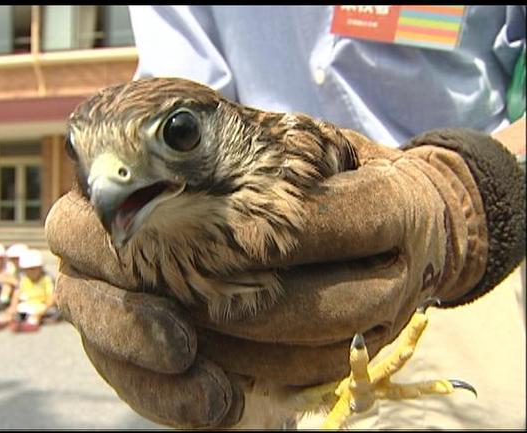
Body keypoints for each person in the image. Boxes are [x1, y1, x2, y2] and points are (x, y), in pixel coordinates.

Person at [48, 5, 525, 430]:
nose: (108, 182)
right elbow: (169, 92)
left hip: (459, 292)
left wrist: (468, 190)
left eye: (179, 136)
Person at [5, 249, 56, 333]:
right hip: (28, 304)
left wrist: (44, 310)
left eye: (33, 269)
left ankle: (30, 325)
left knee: (39, 315)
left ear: (40, 268)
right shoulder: (23, 278)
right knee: (17, 312)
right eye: (27, 269)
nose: (30, 272)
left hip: (43, 305)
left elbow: (52, 297)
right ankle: (15, 322)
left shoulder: (47, 279)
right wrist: (13, 307)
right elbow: (17, 293)